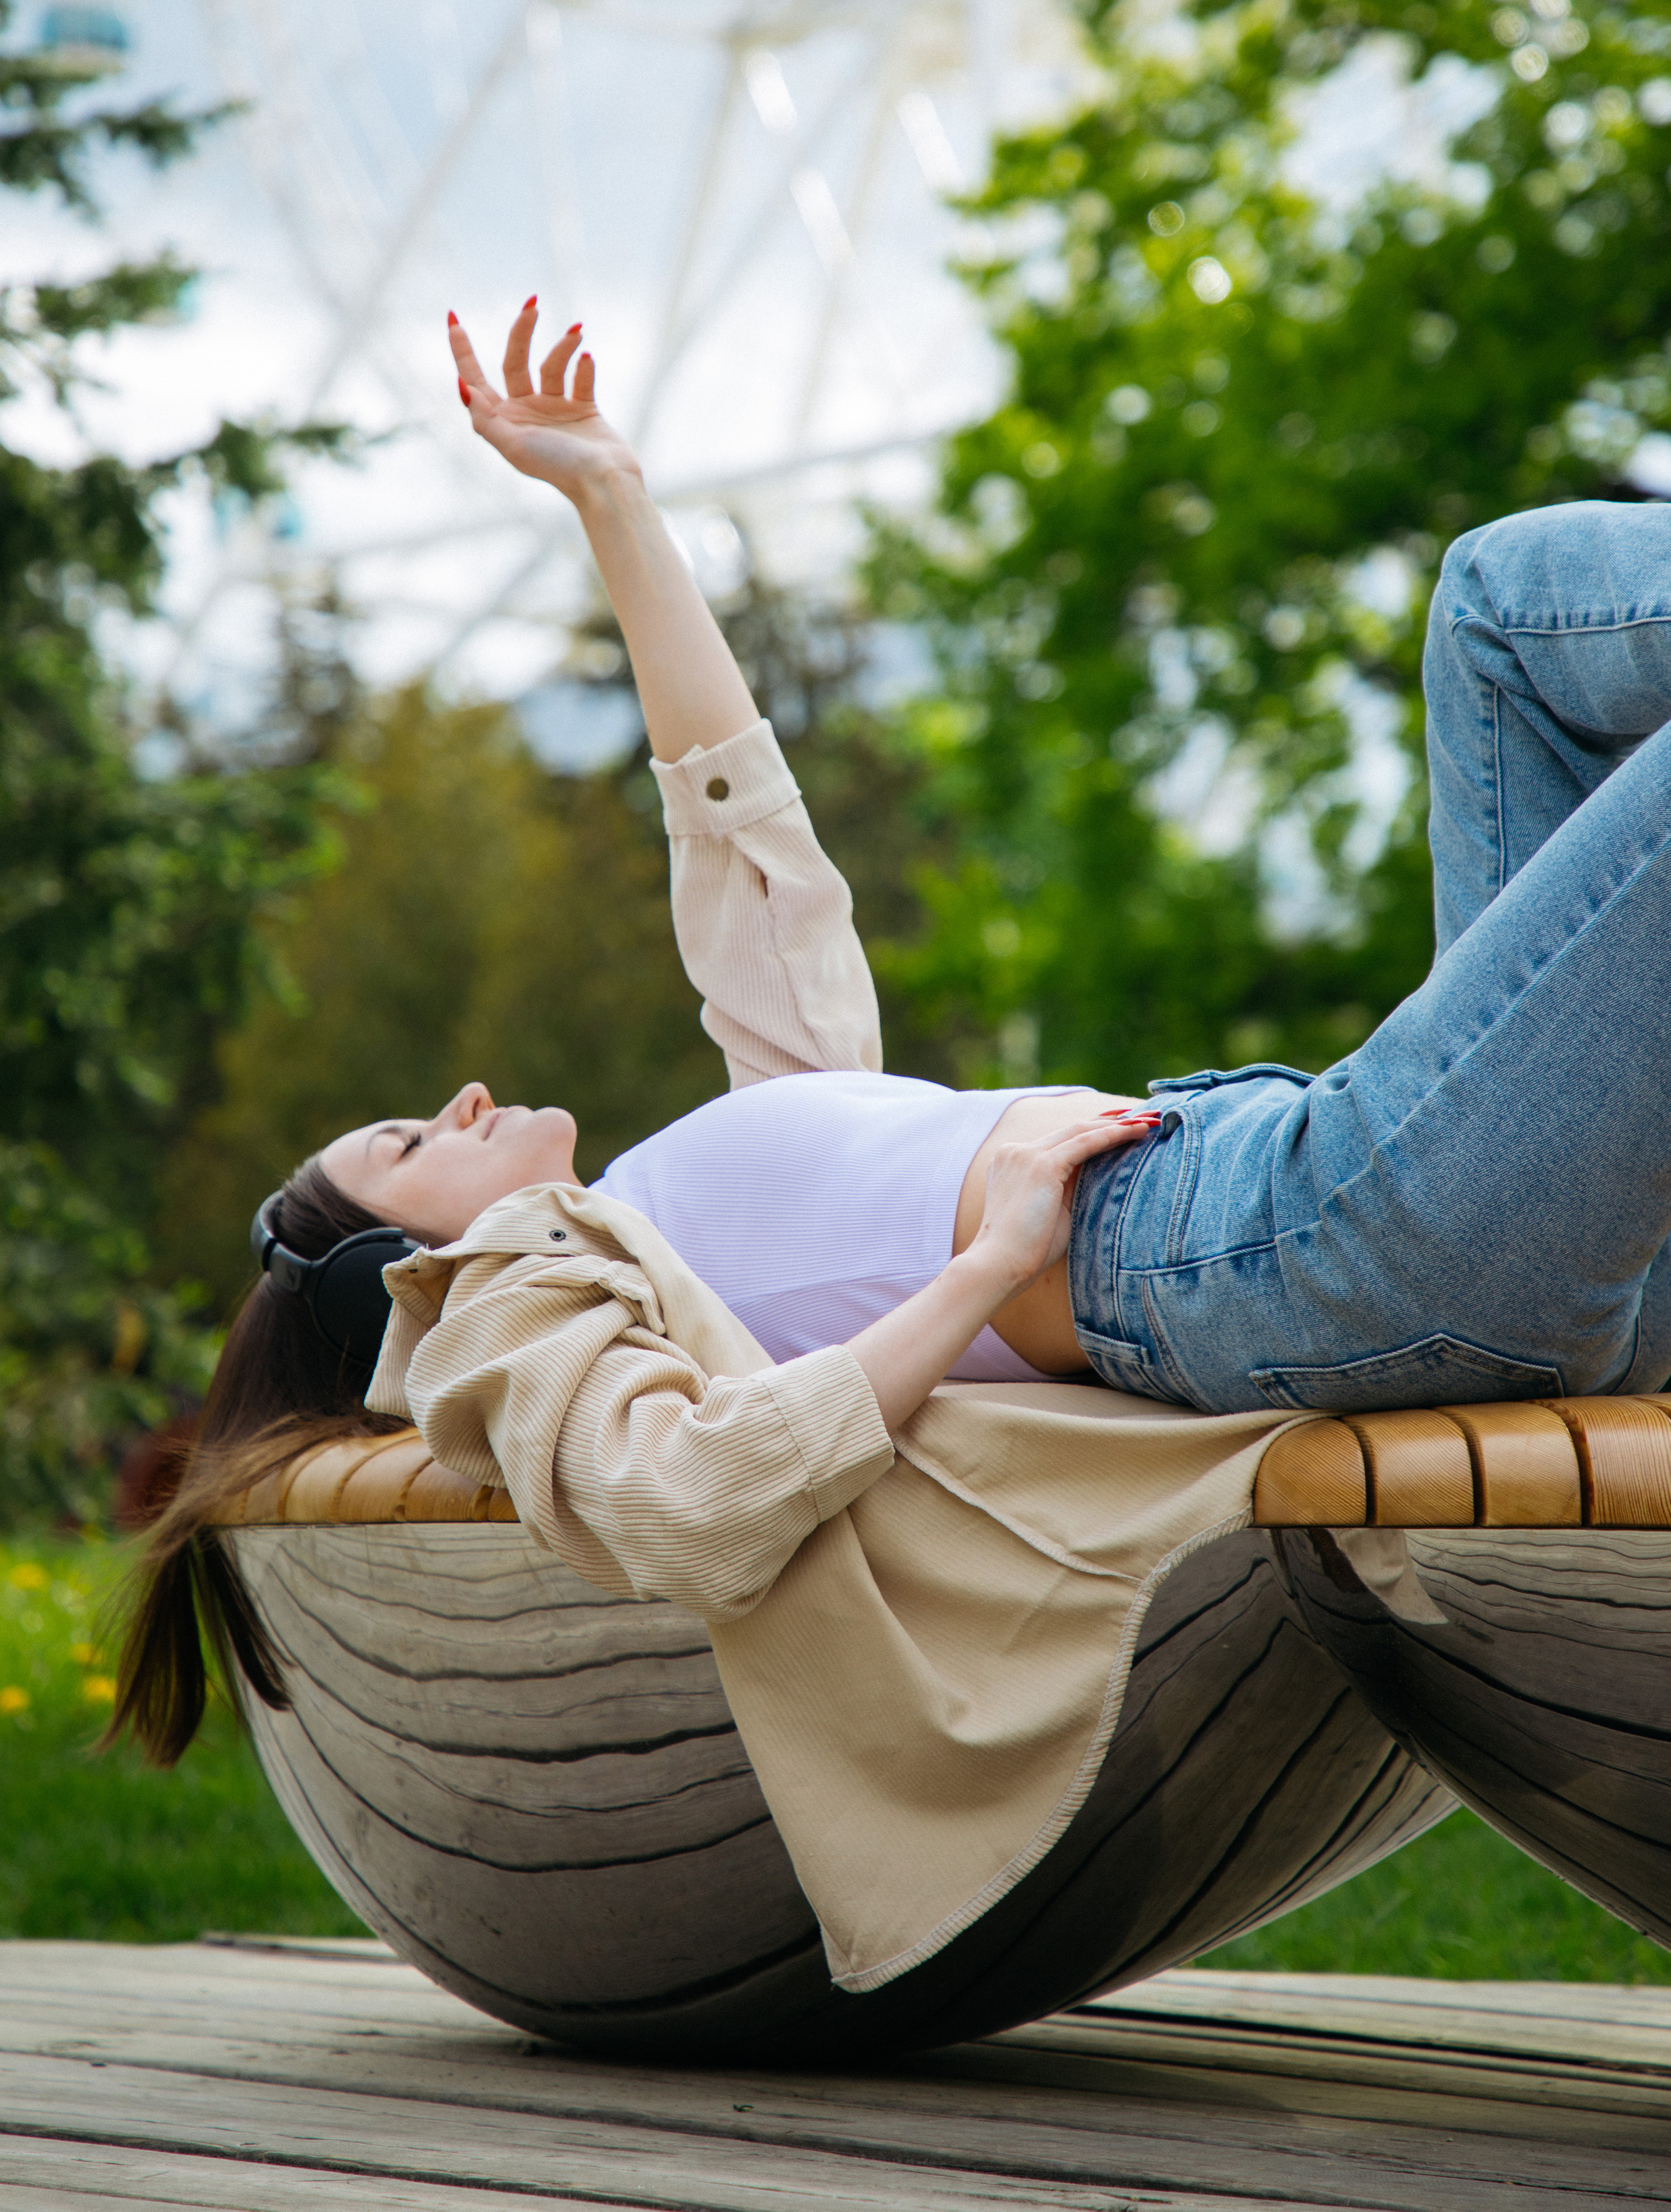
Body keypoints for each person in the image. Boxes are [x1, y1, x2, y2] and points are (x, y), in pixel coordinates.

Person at [114, 301, 1671, 1814]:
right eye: (407, 1142)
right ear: (407, 1267)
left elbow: (736, 826)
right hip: (1309, 1243)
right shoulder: (505, 1297)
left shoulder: (669, 1242)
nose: (458, 1100)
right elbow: (683, 1505)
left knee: (1501, 614)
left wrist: (610, 496)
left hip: (1343, 1214)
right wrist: (986, 1265)